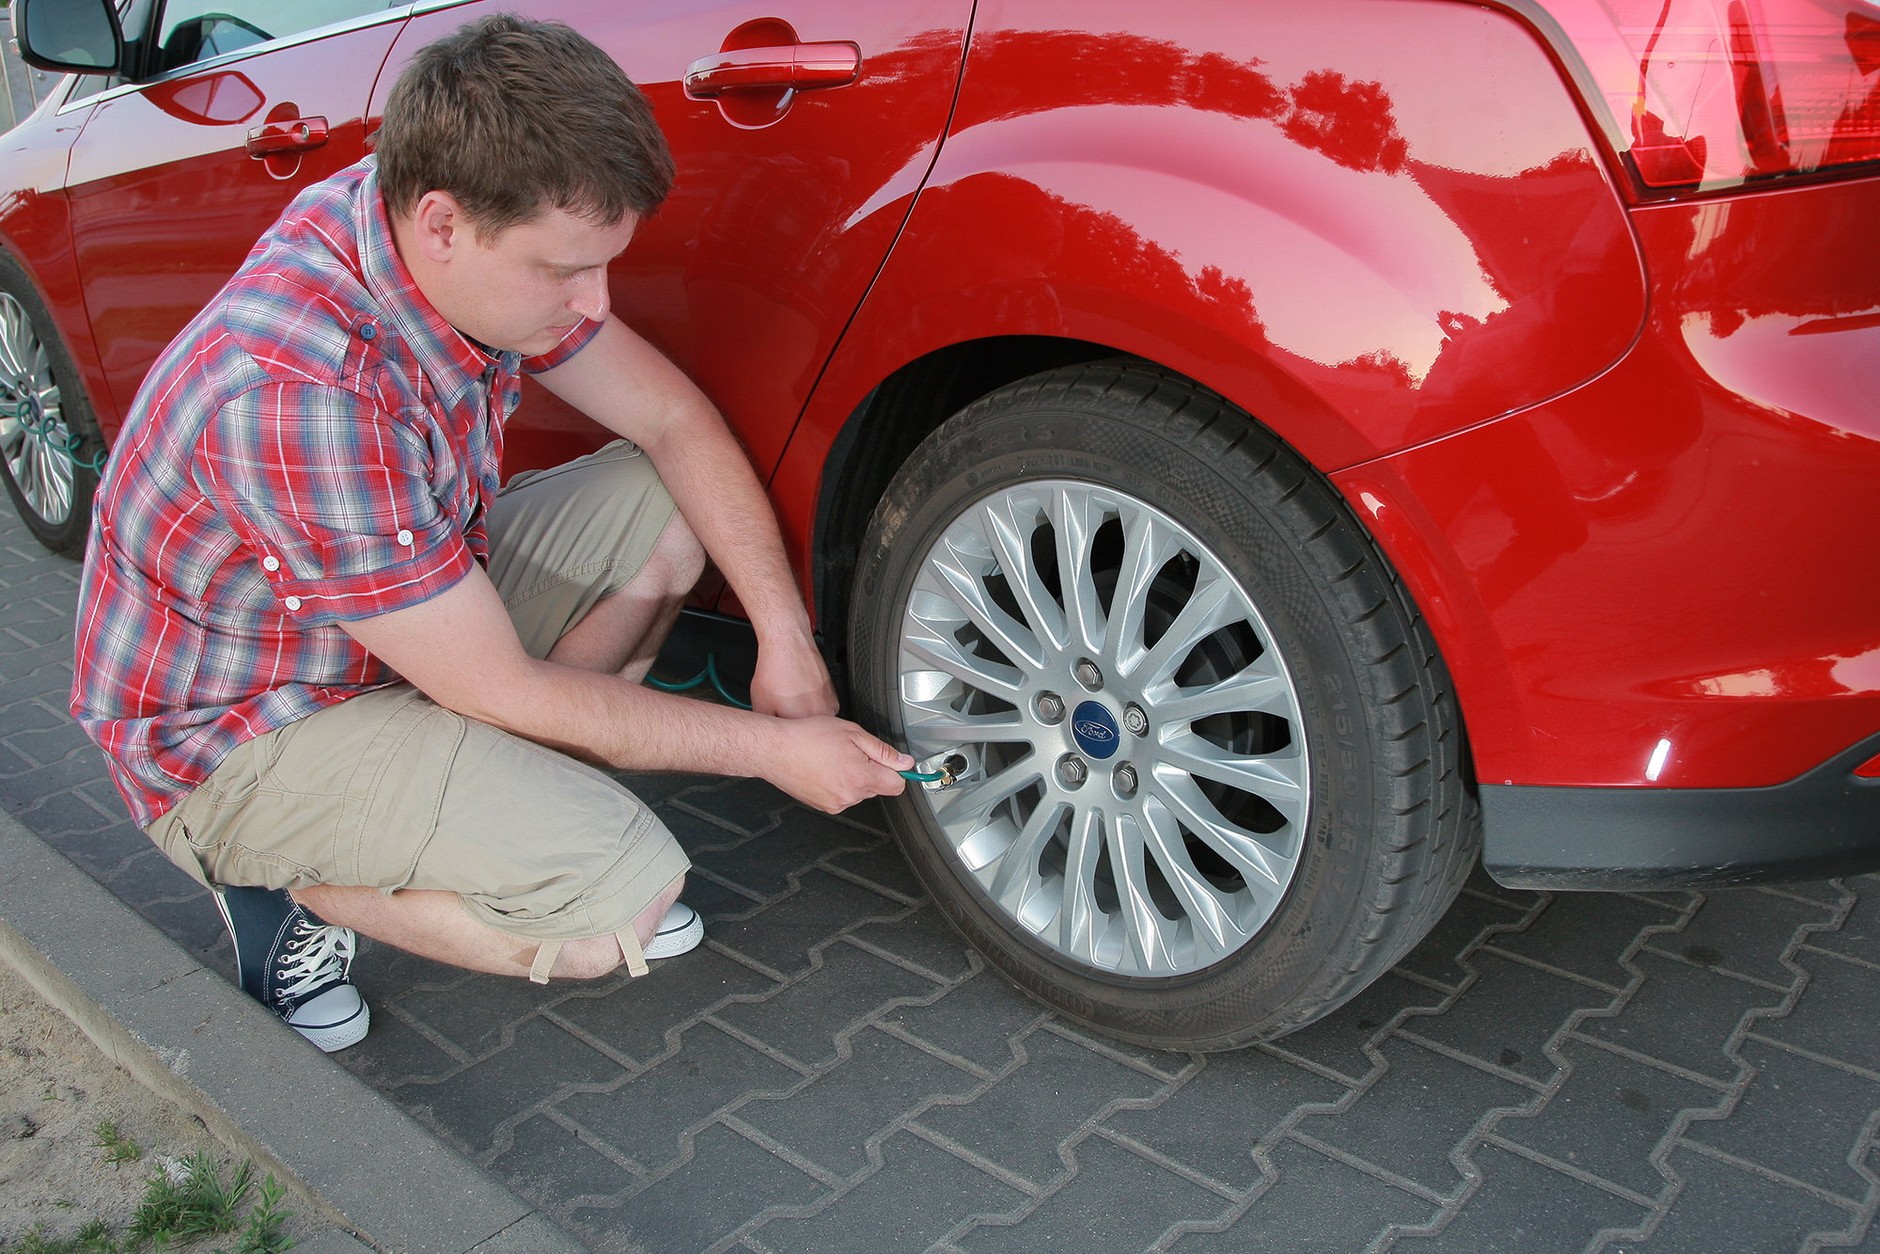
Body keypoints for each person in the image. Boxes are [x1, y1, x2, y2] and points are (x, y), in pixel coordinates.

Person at [69, 14, 912, 1053]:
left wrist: (782, 638)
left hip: (399, 628)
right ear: (440, 225)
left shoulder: (426, 225)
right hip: (243, 729)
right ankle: (283, 882)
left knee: (670, 493)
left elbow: (674, 421)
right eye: (563, 271)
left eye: (604, 264)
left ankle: (485, 802)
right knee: (617, 909)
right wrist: (779, 751)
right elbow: (502, 688)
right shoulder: (296, 391)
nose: (593, 303)